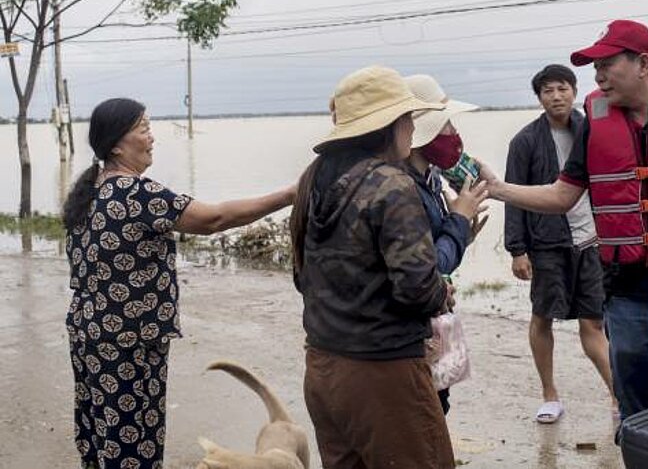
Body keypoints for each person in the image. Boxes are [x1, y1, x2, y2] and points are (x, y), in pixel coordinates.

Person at [480, 20, 648, 422]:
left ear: (643, 63)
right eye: (593, 67)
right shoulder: (594, 125)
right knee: (635, 395)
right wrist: (497, 189)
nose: (597, 76)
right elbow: (562, 196)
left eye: (606, 64)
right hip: (628, 285)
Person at [61, 97, 294, 469]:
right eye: (144, 129)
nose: (152, 137)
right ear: (117, 144)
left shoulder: (90, 193)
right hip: (128, 343)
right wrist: (290, 195)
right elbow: (214, 219)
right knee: (133, 448)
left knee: (99, 440)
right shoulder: (135, 193)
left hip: (89, 336)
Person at [290, 66, 458, 469]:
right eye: (407, 118)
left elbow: (303, 276)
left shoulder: (313, 180)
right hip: (384, 372)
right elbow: (416, 288)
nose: (412, 130)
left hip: (323, 366)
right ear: (387, 125)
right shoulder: (391, 184)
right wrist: (441, 291)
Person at [504, 64, 614, 424]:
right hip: (547, 243)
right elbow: (515, 194)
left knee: (593, 324)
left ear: (575, 91)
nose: (557, 96)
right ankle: (549, 394)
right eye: (548, 91)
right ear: (539, 98)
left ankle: (619, 397)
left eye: (563, 88)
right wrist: (517, 249)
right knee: (542, 317)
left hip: (590, 240)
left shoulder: (593, 130)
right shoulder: (525, 141)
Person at [404, 73, 489, 414]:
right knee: (425, 415)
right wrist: (458, 221)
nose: (454, 133)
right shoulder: (406, 191)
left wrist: (461, 232)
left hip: (433, 319)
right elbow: (431, 265)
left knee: (437, 407)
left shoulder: (430, 178)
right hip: (416, 329)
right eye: (446, 124)